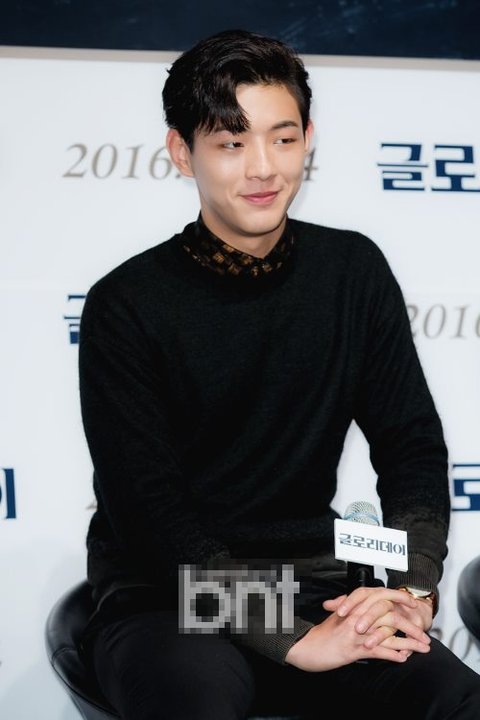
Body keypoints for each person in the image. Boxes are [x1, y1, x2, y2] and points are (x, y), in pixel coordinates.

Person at [77, 28, 480, 719]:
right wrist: (293, 640)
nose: (263, 168)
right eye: (231, 144)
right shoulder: (127, 304)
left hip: (314, 582)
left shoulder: (351, 273)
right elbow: (152, 520)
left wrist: (409, 591)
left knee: (453, 697)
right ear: (182, 152)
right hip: (172, 597)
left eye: (282, 138)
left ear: (308, 138)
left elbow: (411, 446)